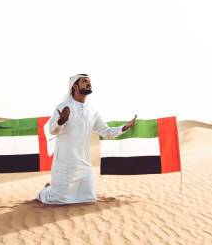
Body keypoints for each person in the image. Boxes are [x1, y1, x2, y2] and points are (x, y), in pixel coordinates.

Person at [37, 73, 137, 204]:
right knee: (57, 200)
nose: (88, 83)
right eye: (84, 81)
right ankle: (45, 191)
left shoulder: (92, 110)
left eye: (89, 81)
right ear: (75, 87)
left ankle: (53, 188)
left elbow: (106, 132)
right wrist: (61, 121)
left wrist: (125, 127)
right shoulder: (63, 107)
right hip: (65, 162)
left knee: (88, 199)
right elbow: (52, 130)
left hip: (84, 163)